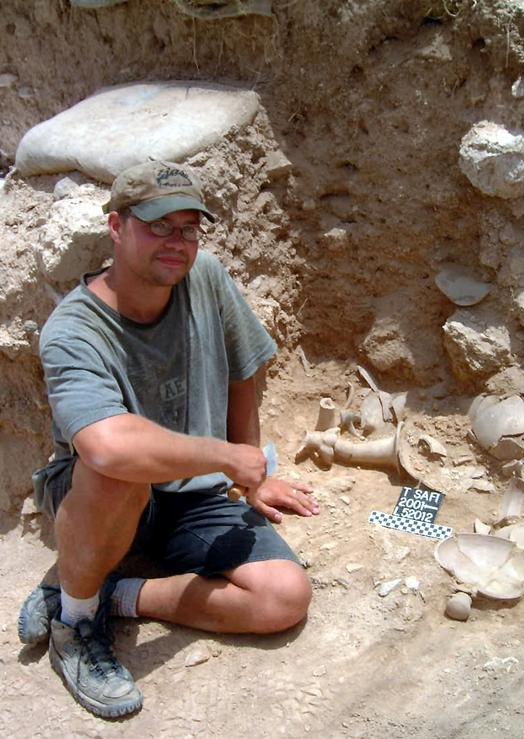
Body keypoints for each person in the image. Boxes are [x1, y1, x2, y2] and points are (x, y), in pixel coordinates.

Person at [18, 160, 319, 719]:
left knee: (283, 597)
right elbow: (107, 448)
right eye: (157, 225)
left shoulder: (203, 276)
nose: (175, 242)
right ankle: (76, 625)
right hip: (100, 492)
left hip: (196, 497)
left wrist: (254, 478)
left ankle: (109, 594)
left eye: (188, 228)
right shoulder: (74, 330)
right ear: (116, 227)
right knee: (117, 470)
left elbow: (242, 370)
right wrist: (229, 456)